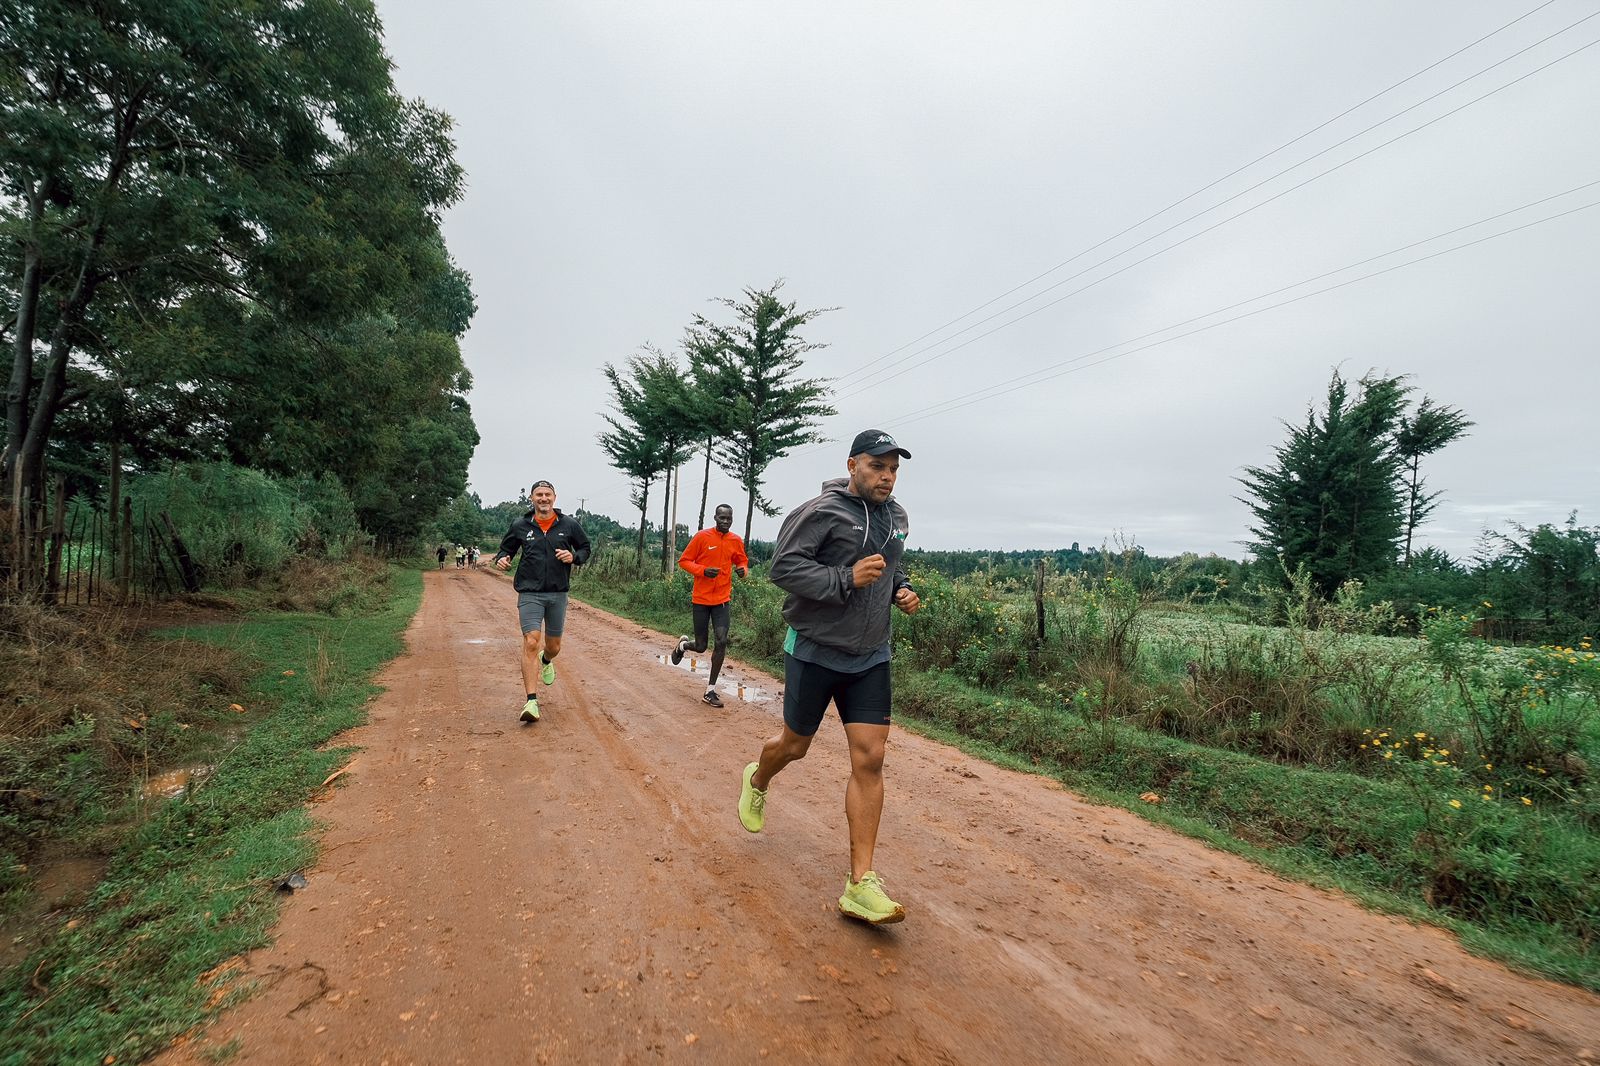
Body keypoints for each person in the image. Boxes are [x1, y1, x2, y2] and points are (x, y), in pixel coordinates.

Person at [736, 430, 921, 925]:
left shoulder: (897, 517)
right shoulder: (820, 511)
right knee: (794, 745)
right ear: (852, 464)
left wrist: (900, 589)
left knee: (871, 756)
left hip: (870, 654)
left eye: (894, 469)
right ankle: (759, 778)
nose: (887, 476)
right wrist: (845, 579)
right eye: (877, 467)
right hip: (815, 650)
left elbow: (889, 569)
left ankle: (860, 884)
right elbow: (784, 568)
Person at [492, 480, 592, 724]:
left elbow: (585, 547)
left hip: (558, 594)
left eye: (547, 494)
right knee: (530, 641)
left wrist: (574, 557)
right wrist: (502, 559)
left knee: (553, 645)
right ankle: (531, 701)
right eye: (539, 494)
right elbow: (505, 550)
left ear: (554, 498)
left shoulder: (568, 524)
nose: (543, 498)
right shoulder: (520, 525)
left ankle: (546, 661)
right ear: (532, 498)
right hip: (529, 593)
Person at [670, 503, 749, 707]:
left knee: (721, 641)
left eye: (728, 518)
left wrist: (742, 570)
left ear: (732, 519)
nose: (725, 521)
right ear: (715, 518)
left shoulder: (735, 540)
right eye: (722, 518)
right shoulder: (702, 537)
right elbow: (684, 561)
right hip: (701, 600)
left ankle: (710, 690)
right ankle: (683, 645)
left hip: (722, 601)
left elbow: (742, 561)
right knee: (701, 646)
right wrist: (703, 571)